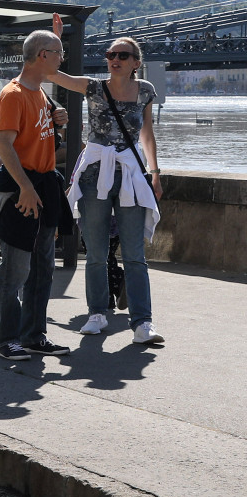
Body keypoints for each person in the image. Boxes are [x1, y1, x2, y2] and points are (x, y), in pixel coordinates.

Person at [67, 36, 164, 344]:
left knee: (135, 254)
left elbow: (146, 134)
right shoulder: (93, 87)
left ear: (136, 62)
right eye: (110, 54)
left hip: (131, 174)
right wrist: (57, 42)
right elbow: (53, 76)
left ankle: (142, 323)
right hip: (94, 174)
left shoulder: (146, 90)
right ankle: (97, 313)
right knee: (96, 252)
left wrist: (155, 171)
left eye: (123, 54)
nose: (115, 59)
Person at [0, 29, 77, 362]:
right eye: (58, 52)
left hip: (43, 187)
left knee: (42, 268)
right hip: (20, 189)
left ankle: (33, 336)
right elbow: (5, 145)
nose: (61, 58)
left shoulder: (41, 94)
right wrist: (25, 187)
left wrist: (58, 124)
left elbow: (41, 141)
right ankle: (7, 339)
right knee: (15, 269)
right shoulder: (13, 94)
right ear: (43, 55)